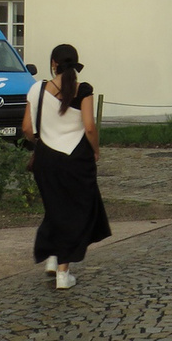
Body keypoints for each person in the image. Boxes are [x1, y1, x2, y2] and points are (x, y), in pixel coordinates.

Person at [21, 43, 111, 289]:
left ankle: (52, 257)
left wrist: (39, 141)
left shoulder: (37, 89)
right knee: (75, 212)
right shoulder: (83, 90)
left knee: (55, 208)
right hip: (76, 160)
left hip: (46, 160)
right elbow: (89, 126)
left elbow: (27, 128)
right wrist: (96, 150)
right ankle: (63, 272)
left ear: (53, 64)